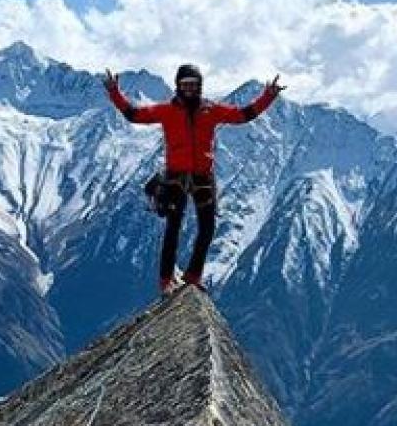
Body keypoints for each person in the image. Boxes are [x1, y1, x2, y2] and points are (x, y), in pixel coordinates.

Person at [103, 63, 284, 295]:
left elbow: (243, 115)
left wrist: (268, 96)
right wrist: (114, 93)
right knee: (173, 228)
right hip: (177, 177)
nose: (188, 88)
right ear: (178, 86)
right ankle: (166, 280)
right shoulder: (167, 111)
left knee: (207, 228)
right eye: (184, 84)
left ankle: (193, 275)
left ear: (199, 86)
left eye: (193, 84)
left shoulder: (211, 110)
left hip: (202, 177)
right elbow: (133, 115)